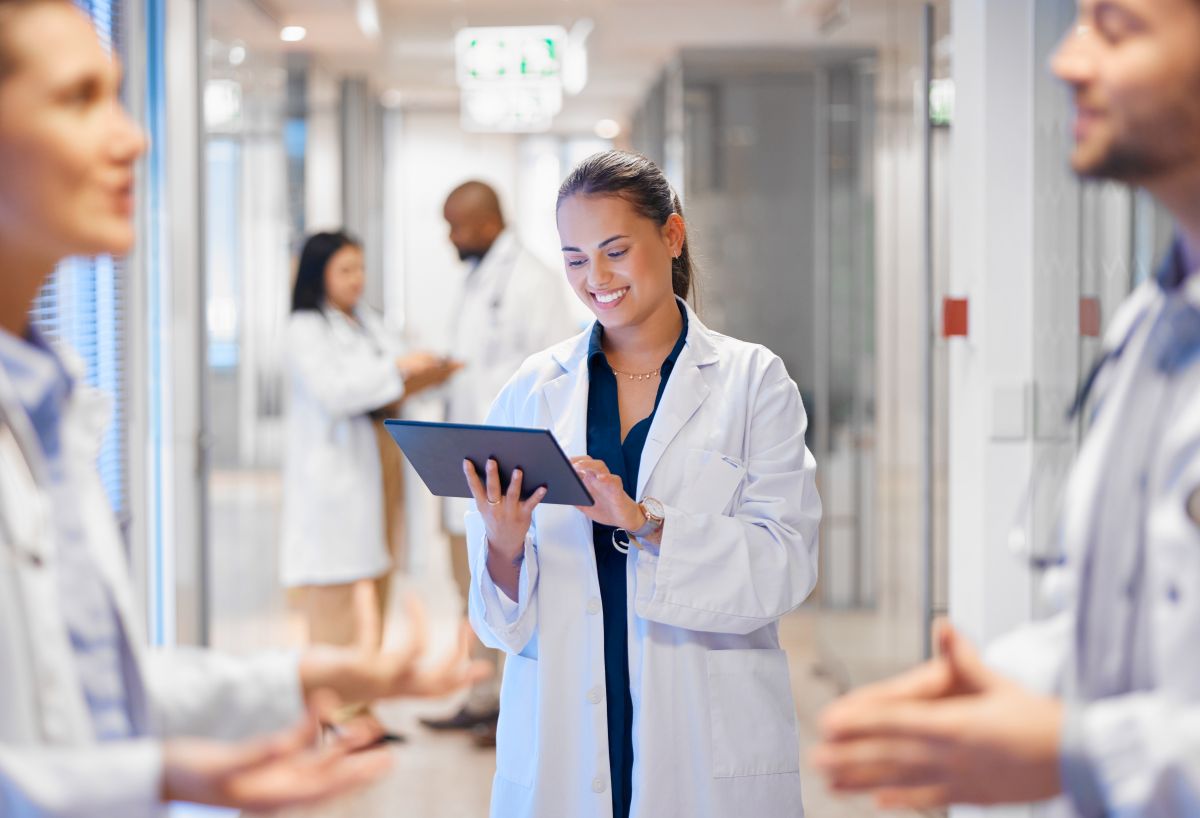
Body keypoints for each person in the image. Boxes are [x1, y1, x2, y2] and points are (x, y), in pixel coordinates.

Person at [0, 2, 488, 814]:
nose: (133, 137)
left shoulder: (43, 408)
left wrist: (303, 678)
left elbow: (83, 684)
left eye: (118, 96)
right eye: (78, 98)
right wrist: (152, 778)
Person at [812, 0, 1200, 814]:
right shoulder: (1154, 320)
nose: (1066, 59)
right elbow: (1137, 625)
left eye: (1116, 26)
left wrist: (1081, 753)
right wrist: (998, 700)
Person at [460, 150, 822, 818]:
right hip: (563, 734)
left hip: (704, 736)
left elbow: (787, 563)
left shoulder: (752, 382)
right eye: (574, 258)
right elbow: (498, 623)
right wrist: (504, 548)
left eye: (615, 250)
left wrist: (649, 521)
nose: (595, 278)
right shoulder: (533, 390)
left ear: (672, 236)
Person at [422, 180, 587, 743]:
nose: (451, 238)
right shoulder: (476, 277)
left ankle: (508, 706)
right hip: (471, 461)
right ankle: (480, 695)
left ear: (488, 222)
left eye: (457, 225)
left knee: (515, 589)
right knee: (469, 583)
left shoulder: (533, 282)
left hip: (513, 469)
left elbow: (553, 380)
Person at [282, 230, 457, 659]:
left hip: (382, 458)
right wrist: (399, 369)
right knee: (336, 587)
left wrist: (424, 369)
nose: (356, 279)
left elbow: (392, 371)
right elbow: (336, 391)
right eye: (344, 270)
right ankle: (337, 713)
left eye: (359, 268)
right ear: (317, 274)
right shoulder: (304, 328)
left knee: (379, 574)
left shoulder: (366, 320)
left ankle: (361, 707)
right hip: (338, 468)